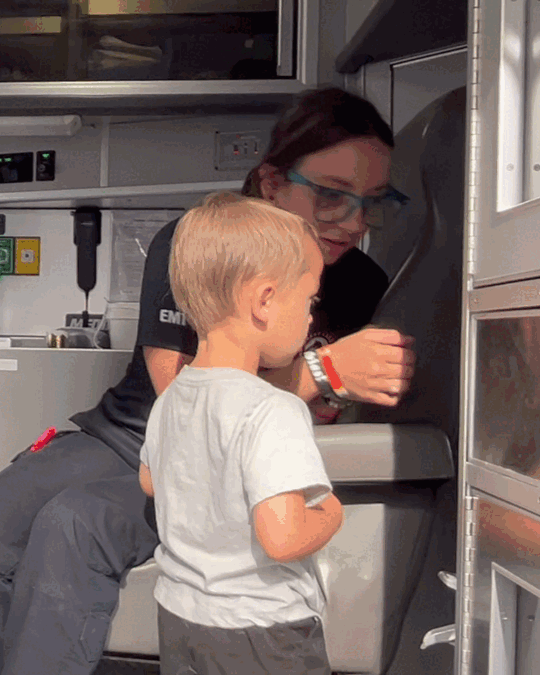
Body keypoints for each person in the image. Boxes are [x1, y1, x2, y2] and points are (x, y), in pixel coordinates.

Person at [0, 87, 417, 675]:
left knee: (76, 522)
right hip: (134, 438)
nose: (352, 222)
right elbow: (187, 396)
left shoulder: (366, 284)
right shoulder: (194, 245)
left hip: (225, 465)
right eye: (330, 195)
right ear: (272, 184)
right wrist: (325, 371)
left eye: (372, 202)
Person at [138, 192, 345, 675]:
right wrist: (332, 512)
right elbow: (284, 537)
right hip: (263, 631)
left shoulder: (172, 395)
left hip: (180, 616)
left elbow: (150, 481)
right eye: (310, 298)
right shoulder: (273, 408)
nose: (312, 316)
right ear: (265, 300)